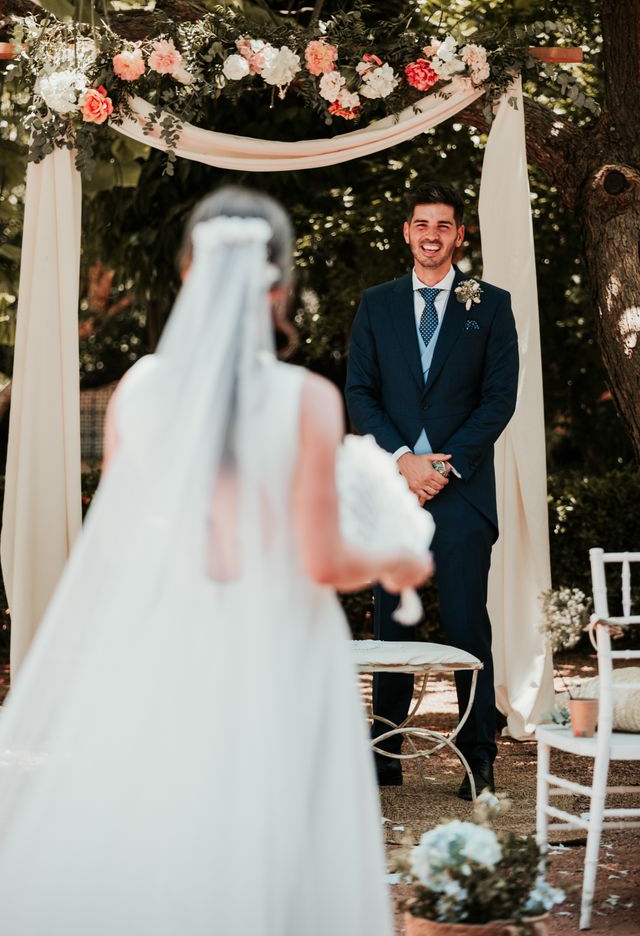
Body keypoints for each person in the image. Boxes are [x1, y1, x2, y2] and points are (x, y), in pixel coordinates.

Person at [0, 187, 431, 935]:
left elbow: (124, 541)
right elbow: (322, 561)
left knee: (168, 832)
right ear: (280, 286)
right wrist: (398, 559)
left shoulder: (140, 392)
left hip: (172, 645)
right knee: (284, 839)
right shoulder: (307, 399)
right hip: (285, 650)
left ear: (189, 272)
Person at [345, 181, 519, 797]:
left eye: (443, 226)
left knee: (469, 624)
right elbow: (360, 392)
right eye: (422, 224)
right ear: (406, 232)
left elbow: (499, 399)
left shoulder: (491, 306)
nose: (431, 235)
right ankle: (386, 750)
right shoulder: (377, 304)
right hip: (394, 491)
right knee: (393, 625)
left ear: (459, 236)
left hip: (464, 494)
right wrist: (402, 461)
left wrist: (442, 468)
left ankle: (478, 756)